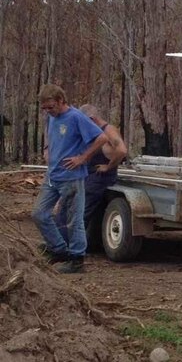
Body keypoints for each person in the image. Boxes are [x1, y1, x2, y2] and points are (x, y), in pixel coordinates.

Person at [33, 85, 107, 274]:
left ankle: (76, 259)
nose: (48, 111)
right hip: (52, 175)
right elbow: (51, 139)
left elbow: (101, 138)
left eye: (51, 107)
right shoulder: (51, 118)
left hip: (71, 178)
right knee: (39, 214)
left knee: (74, 220)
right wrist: (47, 151)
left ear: (60, 100)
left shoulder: (76, 117)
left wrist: (83, 158)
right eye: (45, 108)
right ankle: (58, 249)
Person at [55, 104, 128, 242]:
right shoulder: (91, 131)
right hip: (86, 175)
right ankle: (58, 242)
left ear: (91, 119)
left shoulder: (108, 130)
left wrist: (108, 166)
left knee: (80, 212)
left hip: (99, 178)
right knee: (66, 205)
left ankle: (71, 246)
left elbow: (122, 150)